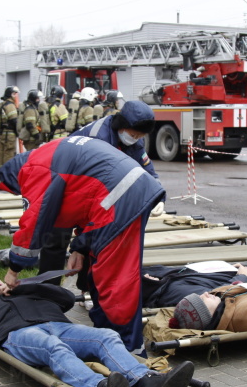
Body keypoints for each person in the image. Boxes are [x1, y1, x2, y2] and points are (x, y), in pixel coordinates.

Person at [0, 136, 165, 354]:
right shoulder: (47, 154)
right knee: (101, 277)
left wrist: (14, 269)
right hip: (123, 193)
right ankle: (112, 343)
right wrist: (80, 247)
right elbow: (83, 200)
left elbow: (34, 223)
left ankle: (128, 352)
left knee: (113, 283)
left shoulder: (33, 169)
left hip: (118, 198)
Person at [0, 269, 194, 387]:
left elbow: (66, 298)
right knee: (53, 347)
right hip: (19, 334)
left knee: (106, 336)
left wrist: (24, 285)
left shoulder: (25, 292)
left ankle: (144, 382)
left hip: (60, 325)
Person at [34, 101, 164, 286]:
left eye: (139, 136)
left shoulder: (133, 138)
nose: (135, 139)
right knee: (57, 240)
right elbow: (99, 191)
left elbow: (146, 170)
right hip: (63, 185)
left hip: (89, 186)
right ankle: (47, 290)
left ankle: (86, 288)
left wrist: (158, 195)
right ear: (122, 125)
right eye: (133, 135)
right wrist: (80, 243)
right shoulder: (99, 138)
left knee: (96, 239)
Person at [0, 86, 20, 165]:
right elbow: (14, 120)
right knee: (9, 154)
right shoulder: (10, 105)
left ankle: (2, 172)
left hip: (3, 133)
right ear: (10, 95)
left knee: (3, 153)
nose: (16, 96)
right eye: (14, 94)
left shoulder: (3, 104)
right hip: (10, 135)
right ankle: (7, 173)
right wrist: (18, 132)